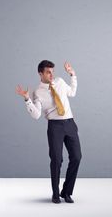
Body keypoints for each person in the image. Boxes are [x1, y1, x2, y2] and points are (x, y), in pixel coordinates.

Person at [16, 60, 82, 204]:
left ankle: (67, 192)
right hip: (55, 126)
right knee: (57, 160)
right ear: (40, 73)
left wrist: (72, 74)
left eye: (52, 71)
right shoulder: (37, 91)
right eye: (48, 72)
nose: (51, 74)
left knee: (77, 157)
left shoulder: (59, 81)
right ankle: (55, 193)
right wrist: (27, 99)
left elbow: (72, 92)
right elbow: (36, 115)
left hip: (70, 122)